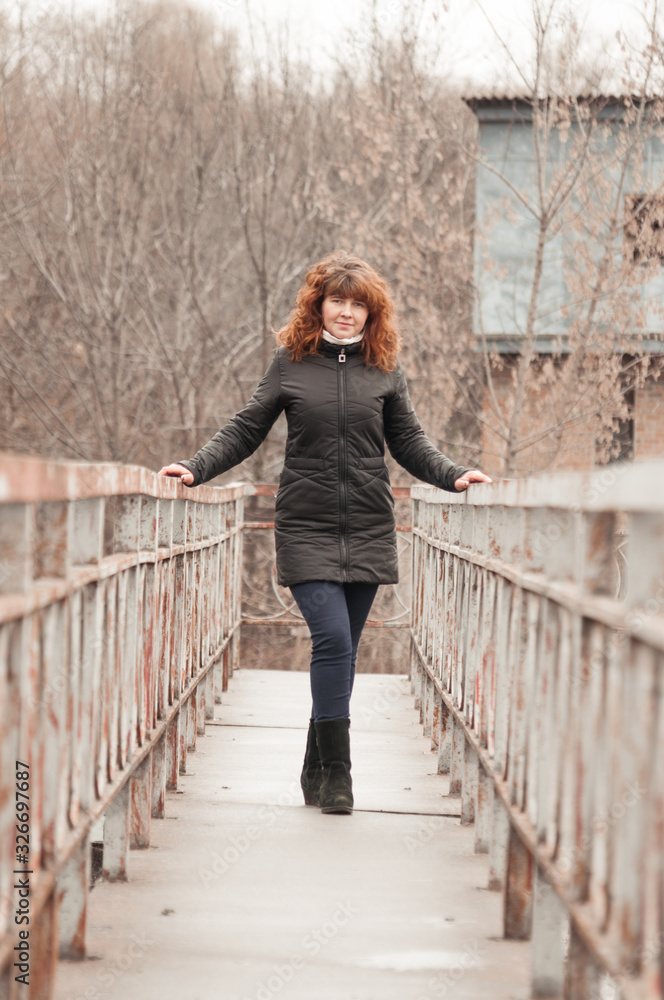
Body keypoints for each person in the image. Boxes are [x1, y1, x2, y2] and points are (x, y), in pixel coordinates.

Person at [159, 250, 491, 816]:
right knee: (334, 640)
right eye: (337, 300)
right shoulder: (291, 363)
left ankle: (315, 765)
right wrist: (195, 467)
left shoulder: (383, 369)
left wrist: (454, 474)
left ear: (371, 313)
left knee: (344, 650)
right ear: (319, 305)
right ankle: (339, 772)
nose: (346, 312)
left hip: (368, 526)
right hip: (305, 526)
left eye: (358, 304)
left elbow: (409, 442)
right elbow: (246, 428)